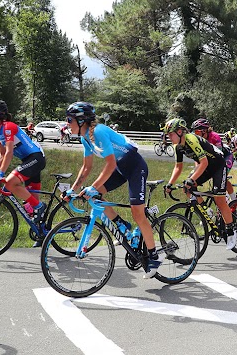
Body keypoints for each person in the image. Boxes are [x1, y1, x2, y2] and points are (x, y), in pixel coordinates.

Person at [64, 102, 163, 277]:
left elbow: (109, 164)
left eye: (69, 120)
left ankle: (154, 256)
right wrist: (73, 189)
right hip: (120, 168)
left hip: (135, 167)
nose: (66, 124)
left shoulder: (99, 132)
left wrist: (93, 187)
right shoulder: (84, 138)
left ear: (81, 121)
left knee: (138, 214)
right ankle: (121, 224)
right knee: (94, 197)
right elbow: (86, 167)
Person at [164, 118, 237, 249]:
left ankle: (231, 231)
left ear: (180, 132)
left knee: (219, 200)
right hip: (207, 166)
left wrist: (192, 179)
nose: (168, 137)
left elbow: (204, 162)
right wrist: (170, 184)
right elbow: (178, 167)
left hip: (218, 165)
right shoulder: (177, 147)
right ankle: (207, 210)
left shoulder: (191, 139)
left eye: (170, 134)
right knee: (187, 189)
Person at [0, 100, 47, 232]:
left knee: (10, 183)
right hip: (28, 160)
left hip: (35, 158)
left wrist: (0, 174)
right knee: (32, 206)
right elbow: (2, 154)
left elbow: (9, 152)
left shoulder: (8, 127)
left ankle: (40, 207)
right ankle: (42, 234)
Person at [191, 118, 236, 200]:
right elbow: (198, 158)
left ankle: (234, 200)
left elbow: (219, 155)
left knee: (223, 178)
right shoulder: (197, 140)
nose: (195, 134)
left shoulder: (214, 137)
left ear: (204, 130)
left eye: (197, 132)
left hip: (225, 157)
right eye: (194, 132)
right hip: (212, 160)